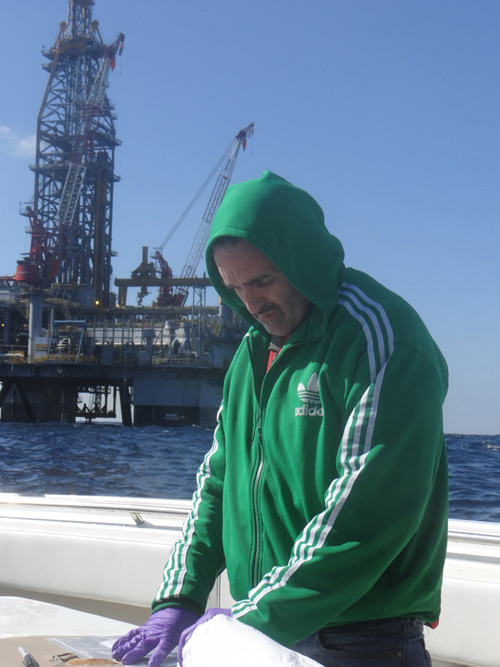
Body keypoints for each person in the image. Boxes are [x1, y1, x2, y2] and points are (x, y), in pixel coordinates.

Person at [112, 171, 449, 667]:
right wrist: (178, 600)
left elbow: (364, 516)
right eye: (234, 287)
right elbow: (219, 484)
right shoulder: (253, 349)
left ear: (304, 259)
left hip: (361, 638)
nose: (250, 304)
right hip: (261, 630)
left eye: (263, 281)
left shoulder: (382, 338)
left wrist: (248, 621)